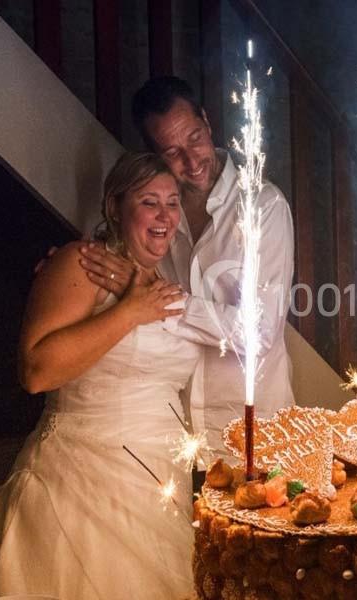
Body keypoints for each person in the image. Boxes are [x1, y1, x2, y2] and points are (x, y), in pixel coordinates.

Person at [0, 152, 199, 600]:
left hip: (159, 481)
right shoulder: (80, 263)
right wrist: (128, 311)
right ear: (115, 207)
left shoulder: (167, 278)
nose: (165, 216)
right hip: (81, 479)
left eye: (173, 202)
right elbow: (36, 371)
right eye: (149, 202)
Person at [78, 76, 295, 453]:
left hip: (255, 433)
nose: (192, 161)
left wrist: (156, 301)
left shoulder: (264, 206)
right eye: (172, 152)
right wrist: (66, 268)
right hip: (174, 436)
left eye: (195, 137)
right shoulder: (157, 217)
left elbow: (257, 333)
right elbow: (112, 268)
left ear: (207, 122)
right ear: (154, 156)